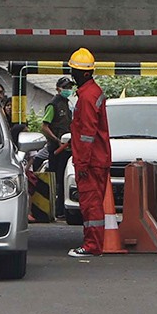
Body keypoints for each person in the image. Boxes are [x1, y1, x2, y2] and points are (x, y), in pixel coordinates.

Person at [67, 48, 111, 258]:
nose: (71, 75)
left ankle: (92, 245)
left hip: (90, 161)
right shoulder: (92, 93)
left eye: (74, 71)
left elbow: (87, 133)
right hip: (97, 158)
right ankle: (93, 243)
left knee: (90, 204)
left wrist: (82, 163)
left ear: (85, 73)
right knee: (93, 203)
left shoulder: (86, 97)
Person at [42, 76, 75, 218]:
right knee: (58, 180)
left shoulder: (68, 104)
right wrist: (57, 140)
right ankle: (56, 209)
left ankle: (62, 209)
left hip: (67, 147)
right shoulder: (53, 105)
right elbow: (44, 126)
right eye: (65, 87)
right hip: (57, 149)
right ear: (58, 88)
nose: (68, 90)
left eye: (69, 87)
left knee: (65, 179)